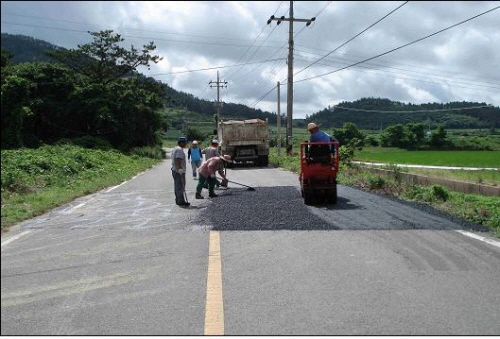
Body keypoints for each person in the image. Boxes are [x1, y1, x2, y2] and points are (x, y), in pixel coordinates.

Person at [171, 136, 190, 206]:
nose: (185, 144)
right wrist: (180, 169)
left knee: (177, 185)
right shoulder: (179, 150)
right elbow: (178, 160)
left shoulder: (175, 149)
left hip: (174, 170)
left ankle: (178, 199)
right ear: (181, 143)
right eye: (185, 143)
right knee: (180, 186)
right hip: (178, 171)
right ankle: (181, 201)